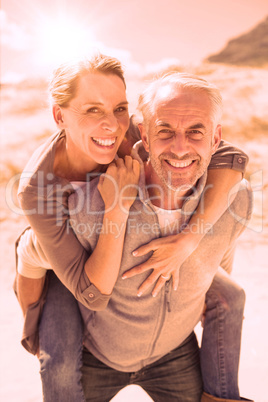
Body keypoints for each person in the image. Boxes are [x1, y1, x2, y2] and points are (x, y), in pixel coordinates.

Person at [15, 62, 250, 401]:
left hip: (112, 250)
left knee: (230, 295)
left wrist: (190, 240)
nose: (109, 123)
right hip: (50, 256)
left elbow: (231, 157)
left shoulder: (129, 132)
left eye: (119, 108)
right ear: (59, 116)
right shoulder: (41, 191)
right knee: (58, 361)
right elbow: (92, 293)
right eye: (92, 109)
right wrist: (117, 207)